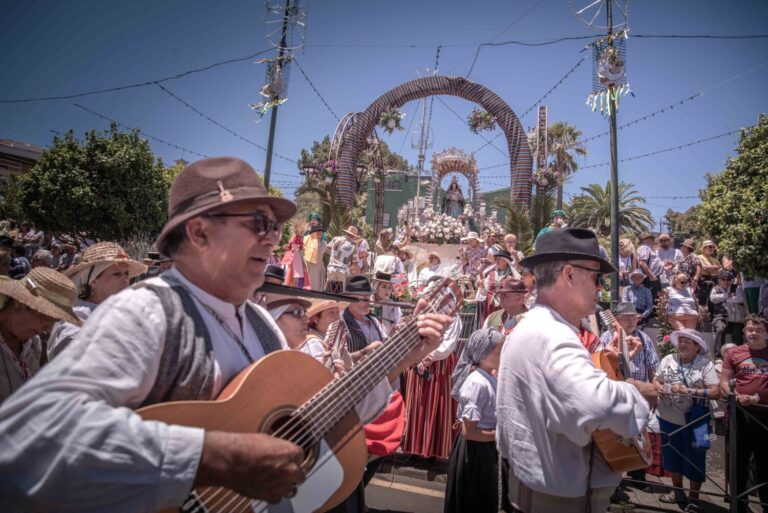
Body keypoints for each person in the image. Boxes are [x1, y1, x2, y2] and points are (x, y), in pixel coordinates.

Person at [0, 157, 451, 512]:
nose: (272, 239)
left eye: (274, 227)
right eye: (257, 223)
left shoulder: (260, 326)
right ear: (199, 232)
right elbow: (25, 440)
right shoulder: (147, 313)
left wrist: (396, 360)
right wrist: (209, 456)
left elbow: (315, 421)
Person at [497, 228, 656, 513]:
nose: (600, 288)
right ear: (569, 274)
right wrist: (636, 393)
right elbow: (596, 404)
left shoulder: (536, 327)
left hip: (539, 491)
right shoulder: (552, 334)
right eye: (597, 277)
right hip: (557, 501)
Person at [653, 329, 719, 512]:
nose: (682, 344)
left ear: (697, 347)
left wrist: (687, 391)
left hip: (698, 422)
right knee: (672, 455)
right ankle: (677, 492)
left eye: (687, 342)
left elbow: (716, 391)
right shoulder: (667, 360)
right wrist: (658, 387)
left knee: (696, 457)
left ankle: (694, 498)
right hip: (668, 418)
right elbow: (656, 380)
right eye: (680, 340)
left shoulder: (705, 364)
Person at [444, 328, 509, 513]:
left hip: (485, 447)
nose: (503, 354)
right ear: (483, 354)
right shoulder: (477, 383)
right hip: (477, 450)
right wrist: (501, 435)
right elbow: (469, 431)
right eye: (499, 350)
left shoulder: (489, 378)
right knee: (477, 501)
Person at [47, 242, 148, 360]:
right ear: (93, 281)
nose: (126, 279)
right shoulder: (76, 320)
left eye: (126, 273)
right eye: (117, 274)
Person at [599, 302, 660, 488]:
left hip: (639, 392)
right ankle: (614, 479)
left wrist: (653, 391)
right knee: (617, 436)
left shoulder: (644, 338)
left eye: (634, 317)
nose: (632, 320)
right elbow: (603, 364)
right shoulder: (607, 337)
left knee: (639, 433)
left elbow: (652, 367)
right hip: (616, 392)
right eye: (627, 317)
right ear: (617, 319)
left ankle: (638, 476)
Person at [0, 269, 80, 404]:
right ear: (20, 302)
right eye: (45, 317)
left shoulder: (33, 343)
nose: (48, 328)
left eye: (55, 320)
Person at [720, 315, 768, 513]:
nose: (753, 333)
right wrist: (734, 394)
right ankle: (739, 505)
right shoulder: (734, 353)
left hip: (765, 415)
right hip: (739, 414)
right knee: (738, 460)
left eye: (758, 330)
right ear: (744, 332)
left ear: (766, 333)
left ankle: (766, 504)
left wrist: (758, 399)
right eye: (750, 329)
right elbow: (724, 381)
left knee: (765, 462)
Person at [710, 270, 747, 355]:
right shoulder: (715, 288)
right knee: (719, 329)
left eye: (728, 279)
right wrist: (729, 296)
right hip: (720, 315)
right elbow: (713, 299)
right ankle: (718, 355)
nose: (726, 281)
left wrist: (724, 299)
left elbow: (740, 298)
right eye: (723, 279)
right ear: (719, 280)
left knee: (737, 332)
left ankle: (739, 354)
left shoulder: (737, 287)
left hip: (735, 317)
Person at [327, 225, 362, 294]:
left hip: (331, 269)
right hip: (342, 271)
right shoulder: (354, 246)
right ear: (354, 236)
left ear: (347, 233)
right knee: (341, 294)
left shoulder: (336, 239)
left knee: (329, 292)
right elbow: (355, 262)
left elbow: (328, 248)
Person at [302, 212, 328, 291]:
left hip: (317, 261)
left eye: (314, 220)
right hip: (306, 261)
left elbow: (324, 246)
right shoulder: (307, 232)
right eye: (312, 220)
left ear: (318, 222)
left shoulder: (323, 236)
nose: (313, 221)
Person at [371, 271, 400, 337]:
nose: (387, 291)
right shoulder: (367, 302)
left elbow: (397, 323)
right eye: (384, 286)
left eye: (390, 288)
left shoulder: (393, 306)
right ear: (376, 287)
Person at [637, 232, 664, 302]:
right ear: (645, 239)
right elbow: (642, 263)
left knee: (656, 300)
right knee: (652, 301)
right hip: (649, 279)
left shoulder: (648, 249)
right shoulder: (644, 248)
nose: (652, 240)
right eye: (651, 238)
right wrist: (651, 276)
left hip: (653, 278)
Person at [697, 240, 722, 313]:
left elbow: (720, 270)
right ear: (704, 248)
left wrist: (711, 268)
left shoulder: (714, 259)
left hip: (714, 280)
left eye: (713, 247)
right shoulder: (699, 257)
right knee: (703, 300)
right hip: (703, 280)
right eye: (710, 247)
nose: (711, 248)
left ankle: (712, 317)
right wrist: (715, 267)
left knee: (713, 300)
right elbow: (704, 267)